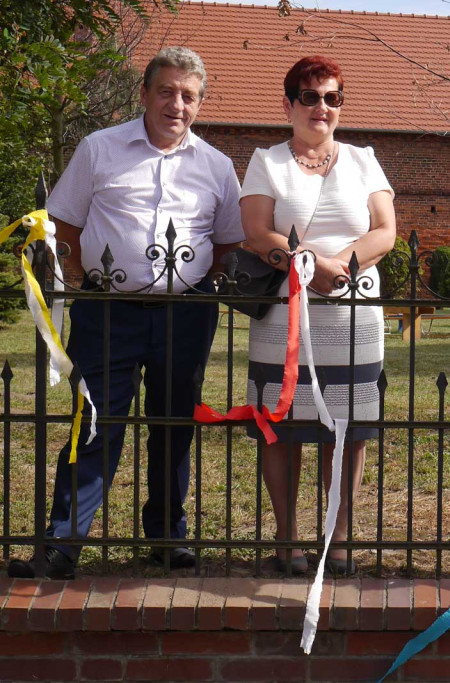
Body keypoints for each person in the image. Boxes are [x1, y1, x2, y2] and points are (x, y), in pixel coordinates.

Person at [7, 47, 243, 579]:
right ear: (144, 94)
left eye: (188, 95)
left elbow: (227, 242)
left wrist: (201, 284)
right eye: (166, 91)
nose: (175, 104)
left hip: (185, 315)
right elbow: (64, 224)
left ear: (199, 104)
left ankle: (166, 537)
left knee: (172, 424)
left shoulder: (217, 166)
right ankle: (63, 544)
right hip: (109, 311)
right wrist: (81, 281)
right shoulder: (99, 149)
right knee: (94, 424)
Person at [240, 55, 396, 575]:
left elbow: (386, 230)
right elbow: (257, 232)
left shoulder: (363, 160)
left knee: (346, 427)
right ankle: (287, 540)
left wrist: (342, 266)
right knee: (281, 425)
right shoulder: (267, 161)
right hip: (284, 316)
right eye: (310, 97)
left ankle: (339, 537)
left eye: (332, 97)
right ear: (288, 104)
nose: (322, 107)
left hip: (354, 315)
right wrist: (311, 265)